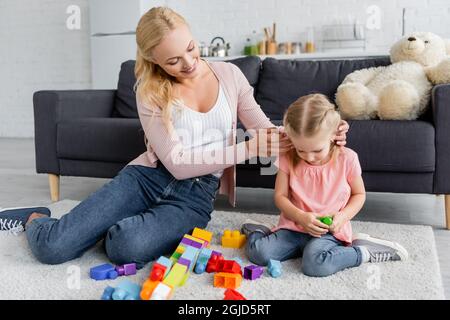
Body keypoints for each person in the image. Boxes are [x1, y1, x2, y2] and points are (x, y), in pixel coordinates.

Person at [0, 7, 349, 268]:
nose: (190, 63)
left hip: (195, 196)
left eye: (192, 48)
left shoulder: (229, 75)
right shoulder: (149, 90)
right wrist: (244, 149)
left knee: (124, 248)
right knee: (53, 249)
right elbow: (177, 164)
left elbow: (265, 131)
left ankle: (103, 227)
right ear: (154, 60)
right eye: (173, 60)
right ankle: (37, 219)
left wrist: (323, 132)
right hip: (146, 178)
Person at [242, 94, 408, 277]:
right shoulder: (288, 157)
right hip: (294, 227)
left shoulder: (347, 159)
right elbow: (280, 196)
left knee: (315, 265)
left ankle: (363, 251)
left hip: (329, 232)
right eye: (301, 150)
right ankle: (261, 230)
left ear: (333, 135)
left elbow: (359, 194)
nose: (309, 157)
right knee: (258, 253)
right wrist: (301, 216)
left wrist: (343, 217)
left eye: (316, 150)